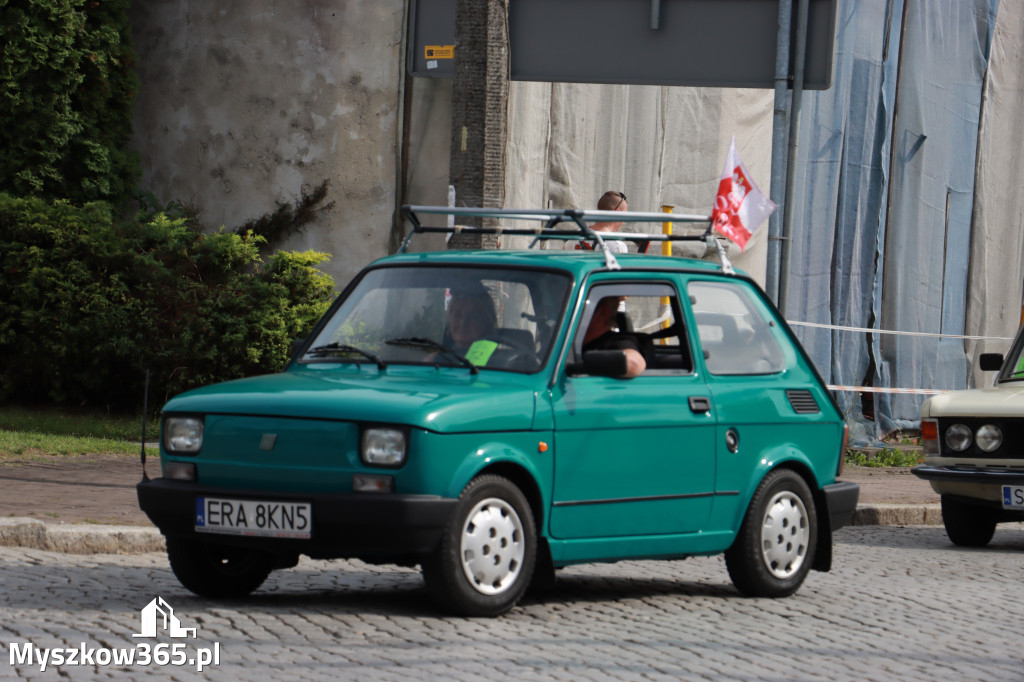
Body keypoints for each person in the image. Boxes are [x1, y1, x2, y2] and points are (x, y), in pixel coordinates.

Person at [581, 295, 647, 378]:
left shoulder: (619, 341)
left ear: (602, 313)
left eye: (581, 309)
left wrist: (582, 364)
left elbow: (634, 363)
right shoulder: (568, 340)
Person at [444, 288, 497, 353]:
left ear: (486, 323)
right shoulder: (439, 359)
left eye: (472, 317)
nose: (463, 323)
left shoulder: (497, 360)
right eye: (457, 315)